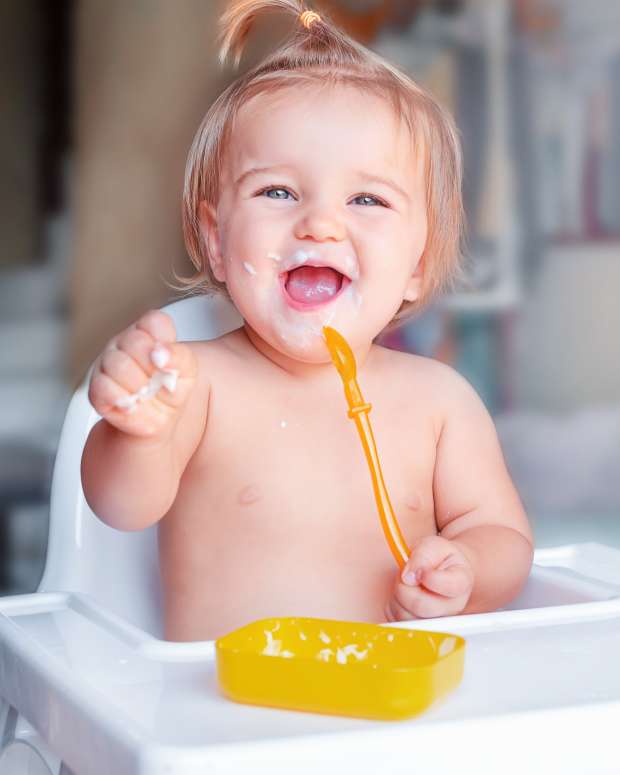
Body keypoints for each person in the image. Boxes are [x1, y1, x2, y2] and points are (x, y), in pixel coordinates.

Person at [81, 0, 532, 641]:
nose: (320, 224)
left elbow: (504, 537)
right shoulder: (195, 384)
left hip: (393, 696)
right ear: (216, 240)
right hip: (230, 701)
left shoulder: (441, 403)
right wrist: (137, 431)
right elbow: (120, 507)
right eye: (278, 192)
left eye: (367, 199)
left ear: (418, 262)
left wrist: (469, 569)